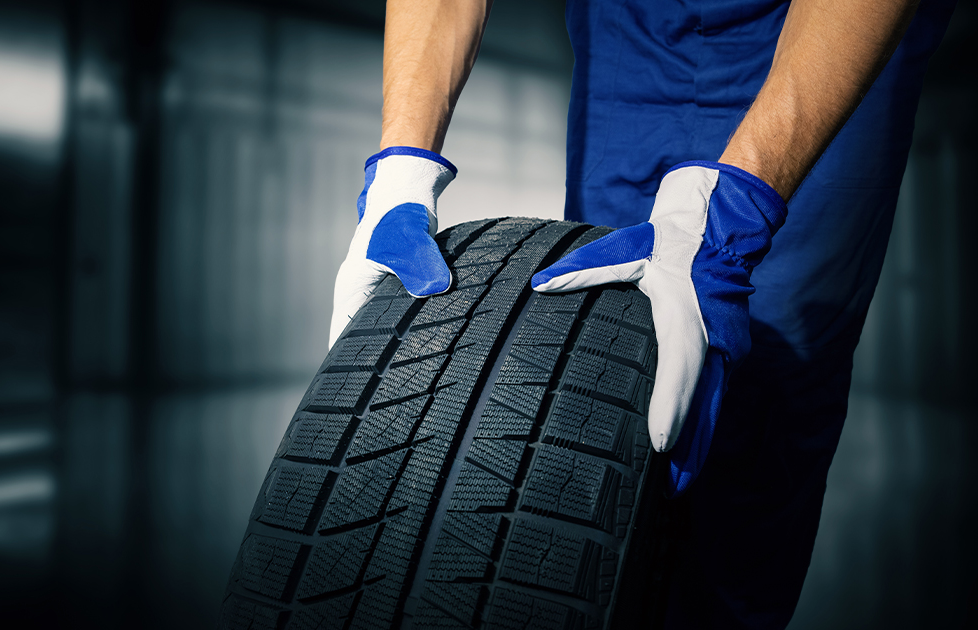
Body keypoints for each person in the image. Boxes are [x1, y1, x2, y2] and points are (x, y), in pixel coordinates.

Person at [329, 0, 957, 627]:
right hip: (631, 25)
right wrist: (399, 173)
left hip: (817, 27)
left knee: (758, 385)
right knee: (604, 357)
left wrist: (734, 211)